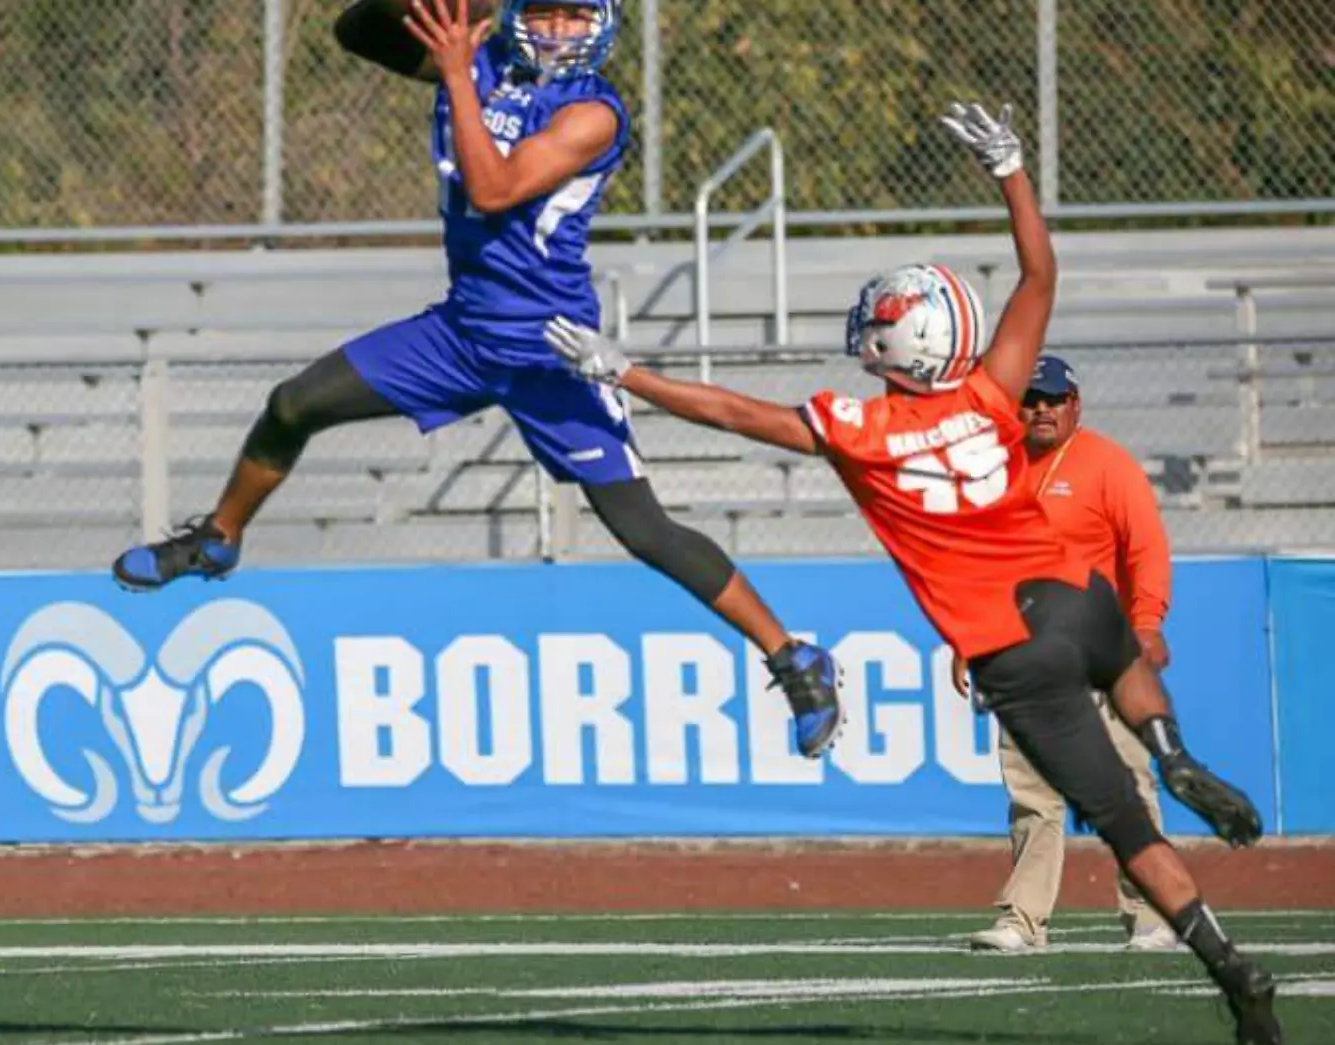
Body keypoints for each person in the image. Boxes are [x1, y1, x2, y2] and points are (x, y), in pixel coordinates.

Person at [544, 102, 1281, 1045]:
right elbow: (1040, 274)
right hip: (1072, 595)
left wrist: (627, 373)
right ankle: (1172, 747)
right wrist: (1011, 169)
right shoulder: (990, 394)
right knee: (1116, 647)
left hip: (1008, 649)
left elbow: (732, 412)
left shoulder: (861, 431)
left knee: (1121, 824)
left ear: (894, 345)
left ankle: (1228, 963)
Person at [111, 0, 842, 758]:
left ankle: (793, 656)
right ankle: (218, 538)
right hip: (460, 332)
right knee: (294, 405)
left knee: (642, 529)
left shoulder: (594, 110)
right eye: (547, 14)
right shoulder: (479, 53)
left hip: (549, 348)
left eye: (576, 16)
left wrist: (458, 71)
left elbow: (493, 191)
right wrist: (452, 23)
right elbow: (357, 31)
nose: (561, 31)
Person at [958, 355, 1181, 953]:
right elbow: (981, 561)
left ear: (1075, 403)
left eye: (1052, 399)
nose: (1040, 409)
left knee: (1128, 783)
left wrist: (1148, 624)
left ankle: (1152, 913)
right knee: (1031, 792)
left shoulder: (1108, 465)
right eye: (1030, 399)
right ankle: (1023, 919)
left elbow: (1147, 551)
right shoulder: (999, 471)